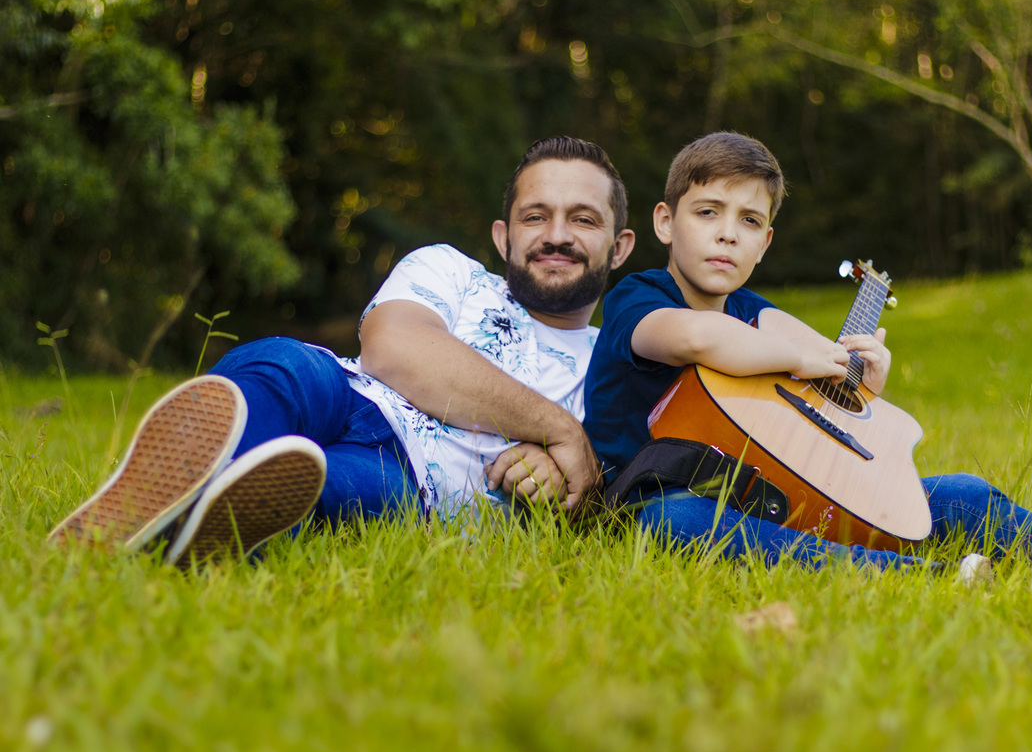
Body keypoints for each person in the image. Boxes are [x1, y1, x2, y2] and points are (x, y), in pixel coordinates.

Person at [583, 131, 1032, 573]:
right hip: (654, 495)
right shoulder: (637, 298)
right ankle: (910, 573)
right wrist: (802, 358)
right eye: (708, 211)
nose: (728, 233)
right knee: (678, 521)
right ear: (666, 222)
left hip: (768, 490)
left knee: (962, 492)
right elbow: (696, 338)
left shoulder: (759, 312)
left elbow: (827, 375)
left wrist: (860, 382)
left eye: (749, 220)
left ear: (765, 243)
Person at [49, 136, 636, 563]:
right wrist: (557, 429)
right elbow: (393, 348)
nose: (557, 235)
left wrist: (560, 476)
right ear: (503, 237)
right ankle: (177, 496)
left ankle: (174, 518)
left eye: (583, 220)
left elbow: (600, 488)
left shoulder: (620, 363)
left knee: (306, 489)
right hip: (346, 392)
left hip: (412, 484)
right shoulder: (449, 269)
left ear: (620, 247)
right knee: (281, 367)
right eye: (536, 216)